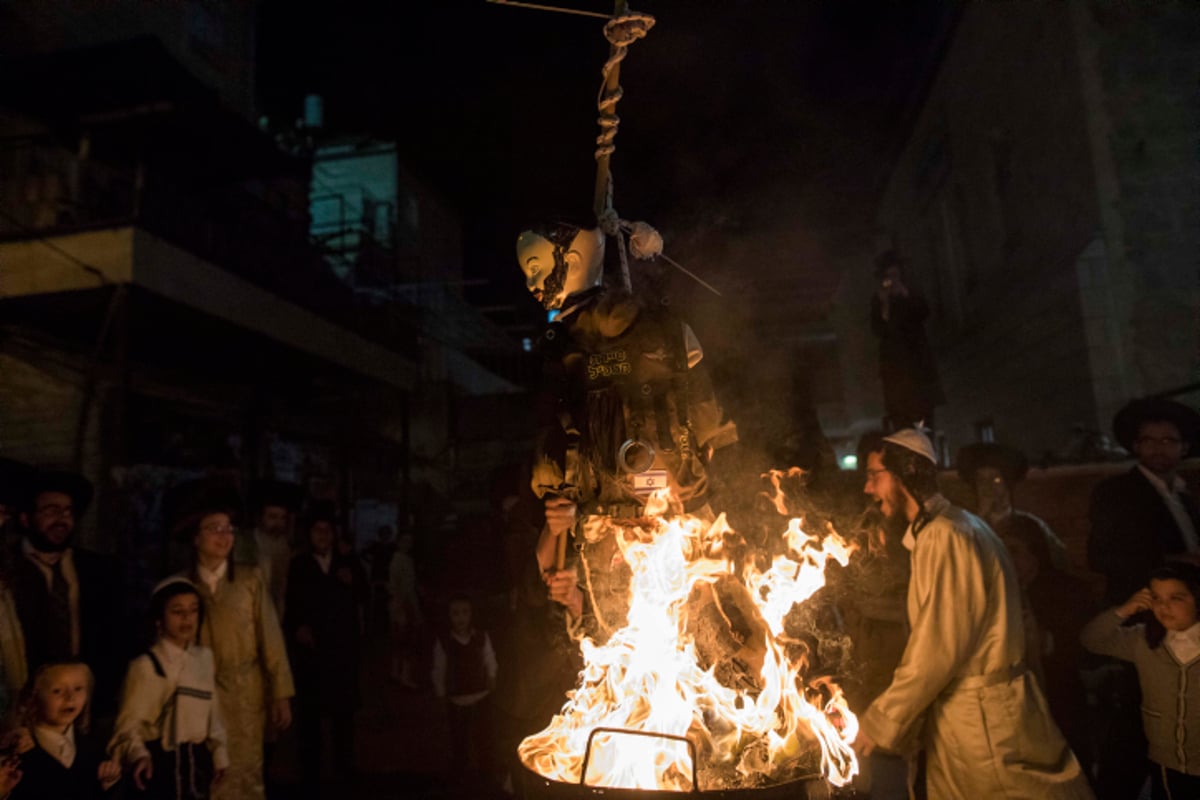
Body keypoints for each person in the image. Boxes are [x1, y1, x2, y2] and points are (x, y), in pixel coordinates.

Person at [517, 219, 738, 641]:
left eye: (536, 265)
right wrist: (558, 529)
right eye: (527, 269)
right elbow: (551, 557)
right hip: (616, 638)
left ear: (576, 260)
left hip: (676, 584)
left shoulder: (625, 339)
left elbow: (678, 376)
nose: (531, 281)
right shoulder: (565, 363)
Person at [854, 428, 1092, 798]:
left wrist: (881, 719)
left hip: (984, 720)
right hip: (969, 716)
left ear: (904, 474)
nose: (868, 489)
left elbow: (937, 645)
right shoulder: (955, 526)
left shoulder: (946, 535)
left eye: (874, 475)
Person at [1086, 397, 1200, 799]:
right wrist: (1174, 560)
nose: (1158, 449)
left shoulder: (1183, 495)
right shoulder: (1117, 491)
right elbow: (1100, 554)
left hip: (1186, 622)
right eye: (1149, 441)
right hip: (1145, 621)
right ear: (1135, 446)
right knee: (1136, 722)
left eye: (1169, 441)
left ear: (1184, 448)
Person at [178, 491, 294, 800]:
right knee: (205, 772)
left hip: (246, 692)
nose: (224, 536)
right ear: (195, 538)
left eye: (229, 529)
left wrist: (280, 691)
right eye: (214, 528)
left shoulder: (249, 580)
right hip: (198, 694)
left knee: (246, 771)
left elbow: (270, 637)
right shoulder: (180, 587)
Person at [1080, 563, 1200, 800]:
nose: (1164, 607)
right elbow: (1091, 639)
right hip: (1166, 758)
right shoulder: (1143, 640)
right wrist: (1124, 610)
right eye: (1156, 598)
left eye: (1176, 598)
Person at [108, 577, 228, 799]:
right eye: (177, 611)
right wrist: (139, 755)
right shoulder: (146, 666)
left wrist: (219, 753)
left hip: (198, 762)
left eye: (193, 611)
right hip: (162, 763)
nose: (186, 618)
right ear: (159, 619)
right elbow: (129, 724)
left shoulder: (204, 658)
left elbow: (213, 712)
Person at [283, 507, 362, 792]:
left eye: (327, 531)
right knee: (310, 715)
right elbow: (291, 604)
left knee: (343, 714)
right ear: (310, 535)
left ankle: (345, 769)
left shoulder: (346, 563)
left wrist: (351, 579)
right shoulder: (300, 565)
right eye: (318, 531)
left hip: (341, 651)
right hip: (312, 651)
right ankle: (311, 774)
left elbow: (363, 596)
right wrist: (298, 628)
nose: (323, 536)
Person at [11, 660, 121, 799]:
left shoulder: (93, 748)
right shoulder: (19, 752)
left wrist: (108, 783)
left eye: (78, 689)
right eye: (57, 691)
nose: (70, 698)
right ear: (34, 696)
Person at [957, 441, 1070, 570]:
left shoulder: (1032, 525)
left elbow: (1059, 561)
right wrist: (980, 518)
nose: (988, 487)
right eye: (981, 480)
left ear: (1007, 484)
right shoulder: (964, 525)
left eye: (996, 480)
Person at [869, 250, 944, 430]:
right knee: (901, 421)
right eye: (888, 276)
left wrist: (905, 294)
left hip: (918, 369)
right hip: (895, 371)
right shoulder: (879, 300)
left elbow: (924, 312)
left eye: (895, 275)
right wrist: (885, 303)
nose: (892, 280)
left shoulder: (911, 293)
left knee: (925, 422)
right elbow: (878, 329)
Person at [431, 595, 497, 782]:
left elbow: (489, 658)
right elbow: (439, 667)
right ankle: (460, 773)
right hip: (457, 700)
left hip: (481, 696)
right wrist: (440, 693)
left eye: (465, 613)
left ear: (472, 615)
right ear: (449, 616)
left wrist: (492, 677)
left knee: (483, 736)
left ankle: (487, 772)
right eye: (456, 614)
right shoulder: (444, 642)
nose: (461, 618)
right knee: (459, 739)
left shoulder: (481, 637)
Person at [388, 529, 422, 687]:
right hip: (404, 605)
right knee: (408, 642)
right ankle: (404, 676)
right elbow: (403, 588)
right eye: (405, 541)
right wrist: (409, 609)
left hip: (399, 604)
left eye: (410, 541)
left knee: (399, 642)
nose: (408, 544)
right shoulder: (401, 561)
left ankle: (396, 673)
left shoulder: (400, 559)